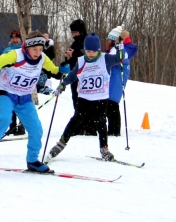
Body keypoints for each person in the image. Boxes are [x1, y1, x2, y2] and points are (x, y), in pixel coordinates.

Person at [0, 32, 61, 173]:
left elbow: (56, 72)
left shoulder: (42, 58)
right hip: (6, 94)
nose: (38, 53)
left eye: (40, 49)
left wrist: (66, 67)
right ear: (27, 47)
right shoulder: (14, 55)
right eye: (34, 49)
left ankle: (32, 160)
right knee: (5, 119)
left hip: (25, 98)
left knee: (36, 129)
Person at [48, 33, 125, 162]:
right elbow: (73, 75)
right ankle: (61, 144)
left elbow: (119, 59)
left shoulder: (105, 59)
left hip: (101, 97)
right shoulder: (81, 60)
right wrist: (63, 85)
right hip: (84, 97)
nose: (91, 54)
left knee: (101, 123)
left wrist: (120, 48)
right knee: (76, 120)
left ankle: (104, 149)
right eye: (88, 50)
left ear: (98, 50)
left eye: (94, 51)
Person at [104, 27, 137, 136]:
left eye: (109, 40)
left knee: (112, 105)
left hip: (116, 79)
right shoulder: (114, 49)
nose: (107, 42)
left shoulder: (118, 49)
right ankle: (113, 130)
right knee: (110, 106)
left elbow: (118, 58)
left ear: (114, 40)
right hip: (113, 78)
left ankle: (114, 131)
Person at [63, 19, 87, 108]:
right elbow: (71, 60)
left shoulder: (87, 42)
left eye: (75, 32)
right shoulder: (74, 43)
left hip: (85, 77)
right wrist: (67, 57)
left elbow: (88, 56)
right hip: (74, 75)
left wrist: (75, 53)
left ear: (81, 31)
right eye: (72, 33)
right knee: (76, 103)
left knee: (84, 104)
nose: (73, 35)